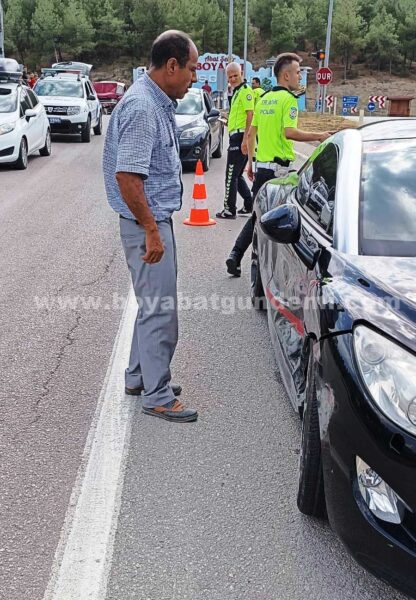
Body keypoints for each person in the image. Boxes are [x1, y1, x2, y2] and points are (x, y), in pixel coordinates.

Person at [103, 30, 199, 423]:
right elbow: (128, 177)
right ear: (172, 65)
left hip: (150, 220)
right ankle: (157, 395)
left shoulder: (154, 101)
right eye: (191, 68)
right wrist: (152, 230)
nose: (194, 77)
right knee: (161, 311)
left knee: (151, 305)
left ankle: (139, 376)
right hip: (147, 223)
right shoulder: (143, 107)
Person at [226, 53, 333, 276]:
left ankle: (236, 254)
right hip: (280, 173)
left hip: (262, 168)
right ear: (286, 76)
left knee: (258, 216)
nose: (299, 77)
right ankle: (282, 269)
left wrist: (251, 163)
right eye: (297, 73)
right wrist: (319, 135)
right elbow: (289, 132)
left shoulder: (264, 99)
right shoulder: (288, 100)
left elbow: (251, 134)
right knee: (288, 220)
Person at [216, 62, 254, 219]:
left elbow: (250, 114)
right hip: (236, 136)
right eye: (230, 77)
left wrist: (245, 139)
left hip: (240, 138)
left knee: (231, 175)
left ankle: (229, 209)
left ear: (241, 74)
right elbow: (240, 116)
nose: (232, 79)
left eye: (235, 75)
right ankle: (249, 204)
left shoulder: (245, 91)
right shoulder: (237, 92)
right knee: (237, 175)